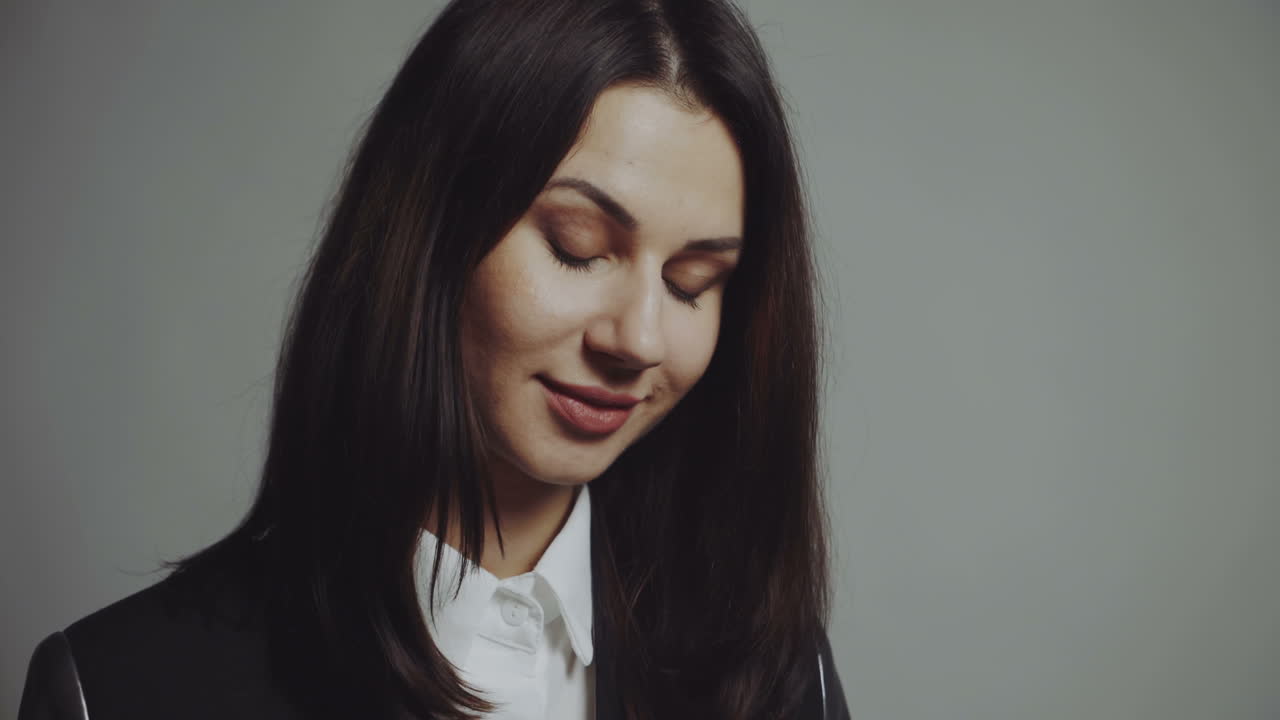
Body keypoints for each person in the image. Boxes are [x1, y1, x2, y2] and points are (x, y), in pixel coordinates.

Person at [17, 0, 849, 717]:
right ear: (432, 231)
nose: (637, 340)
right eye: (577, 247)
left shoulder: (770, 669)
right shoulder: (122, 691)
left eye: (692, 282)